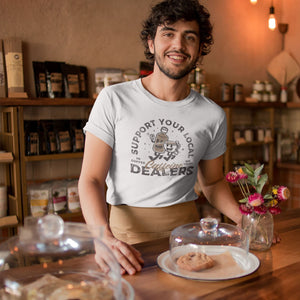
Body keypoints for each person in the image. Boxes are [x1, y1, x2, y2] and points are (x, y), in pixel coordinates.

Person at [79, 0, 242, 276]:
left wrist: (244, 219)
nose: (178, 45)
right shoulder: (113, 100)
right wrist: (102, 236)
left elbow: (213, 182)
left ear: (200, 50)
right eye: (168, 33)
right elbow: (91, 179)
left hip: (188, 239)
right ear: (151, 43)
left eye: (189, 37)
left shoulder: (213, 115)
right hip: (123, 241)